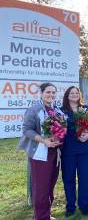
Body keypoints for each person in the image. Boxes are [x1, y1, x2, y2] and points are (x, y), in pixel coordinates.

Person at [18, 83, 63, 220]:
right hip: (40, 153)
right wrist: (44, 141)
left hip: (54, 153)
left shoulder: (57, 110)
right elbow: (27, 130)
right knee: (41, 187)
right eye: (48, 92)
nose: (51, 95)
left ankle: (46, 214)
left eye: (53, 92)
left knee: (50, 184)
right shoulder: (34, 109)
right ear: (41, 93)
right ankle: (41, 217)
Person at [61, 86, 88, 217]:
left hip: (83, 149)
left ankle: (84, 205)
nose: (74, 95)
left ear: (79, 95)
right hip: (68, 150)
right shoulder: (61, 111)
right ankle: (70, 206)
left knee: (84, 178)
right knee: (68, 178)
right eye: (71, 93)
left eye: (76, 93)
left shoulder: (85, 108)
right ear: (67, 96)